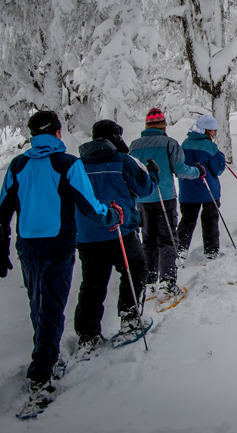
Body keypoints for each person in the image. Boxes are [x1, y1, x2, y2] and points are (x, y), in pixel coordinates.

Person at [0, 111, 120, 414]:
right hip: (58, 245)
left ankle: (46, 357)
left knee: (39, 304)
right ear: (58, 133)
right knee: (51, 306)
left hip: (27, 246)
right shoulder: (68, 163)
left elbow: (2, 211)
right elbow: (90, 207)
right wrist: (112, 215)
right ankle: (42, 377)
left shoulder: (18, 164)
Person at [73, 120, 160, 356]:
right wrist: (153, 174)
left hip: (88, 234)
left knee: (92, 284)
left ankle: (88, 336)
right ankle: (129, 318)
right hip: (120, 230)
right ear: (114, 136)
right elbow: (144, 189)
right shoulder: (123, 160)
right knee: (135, 270)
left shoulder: (77, 164)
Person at [129, 108, 201, 298]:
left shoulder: (134, 146)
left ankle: (149, 281)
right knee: (168, 239)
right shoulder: (169, 143)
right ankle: (167, 282)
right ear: (163, 125)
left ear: (146, 125)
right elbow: (181, 170)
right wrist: (198, 172)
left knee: (148, 240)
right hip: (164, 197)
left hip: (142, 199)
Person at [176, 114, 227, 260]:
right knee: (210, 220)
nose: (215, 133)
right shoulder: (210, 146)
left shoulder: (184, 144)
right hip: (208, 190)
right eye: (213, 130)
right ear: (206, 131)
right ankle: (211, 250)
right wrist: (221, 158)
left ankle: (181, 249)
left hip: (187, 191)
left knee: (187, 221)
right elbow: (218, 169)